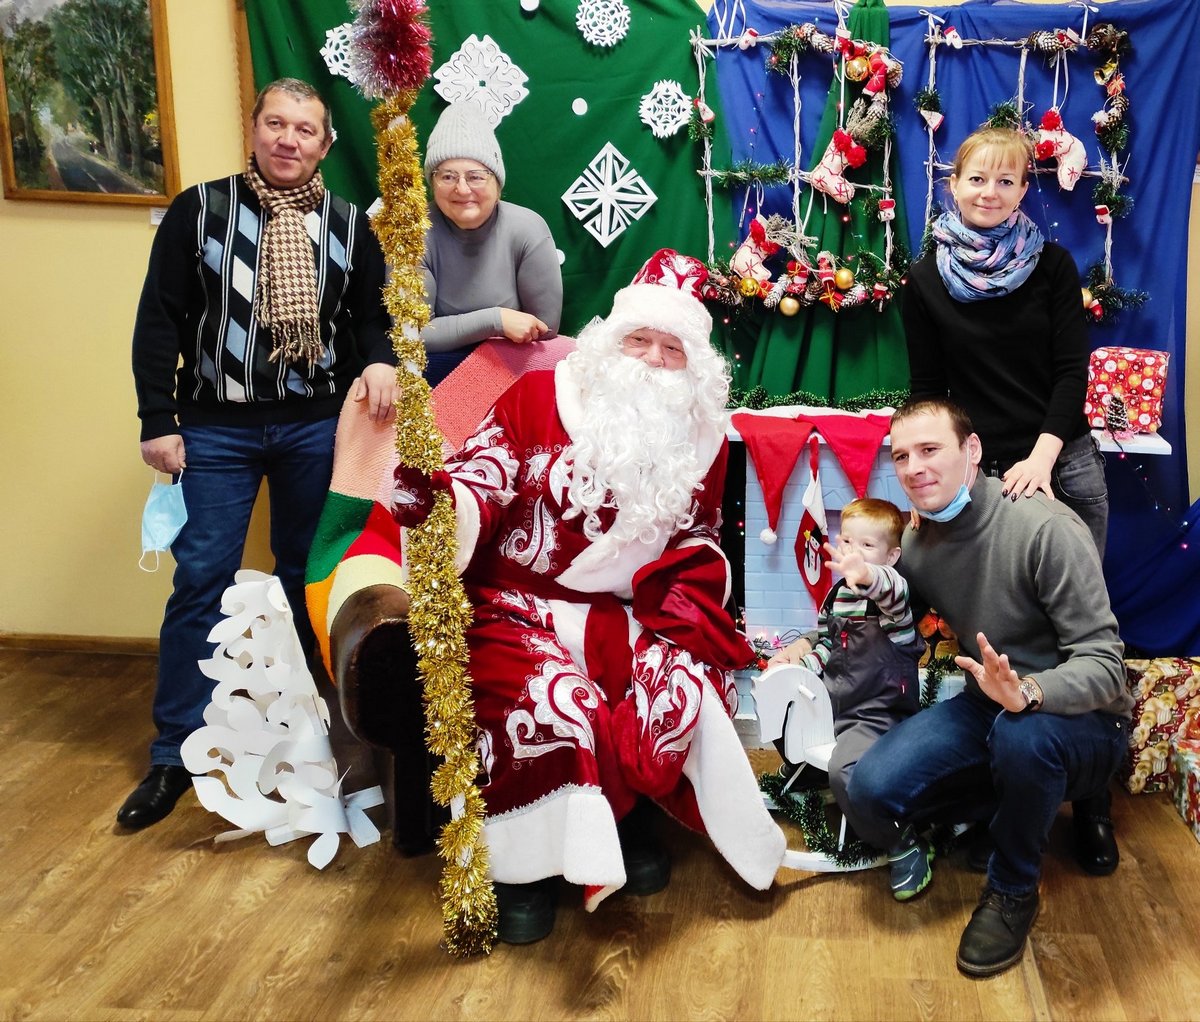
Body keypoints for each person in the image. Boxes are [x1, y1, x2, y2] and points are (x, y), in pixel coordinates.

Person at [391, 249, 785, 944]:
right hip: (518, 603)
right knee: (554, 706)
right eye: (640, 340)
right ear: (610, 341)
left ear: (693, 365)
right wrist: (442, 502)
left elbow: (703, 534)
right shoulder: (537, 397)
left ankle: (624, 820)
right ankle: (522, 870)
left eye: (672, 348)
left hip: (630, 611)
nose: (654, 360)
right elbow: (483, 475)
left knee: (676, 690)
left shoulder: (704, 440)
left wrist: (681, 602)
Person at [121, 78, 396, 831]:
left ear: (325, 145)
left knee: (309, 576)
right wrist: (157, 417)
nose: (288, 139)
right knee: (201, 578)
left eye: (305, 130)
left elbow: (369, 318)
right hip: (215, 430)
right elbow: (159, 319)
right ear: (253, 129)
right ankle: (173, 753)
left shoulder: (349, 224)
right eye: (276, 123)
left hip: (315, 427)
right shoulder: (198, 211)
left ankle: (322, 735)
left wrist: (379, 359)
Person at [847, 398, 1131, 978]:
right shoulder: (920, 542)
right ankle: (1009, 806)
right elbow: (899, 619)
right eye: (900, 456)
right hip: (989, 704)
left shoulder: (1045, 528)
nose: (914, 468)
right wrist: (827, 627)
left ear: (971, 451)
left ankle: (1013, 889)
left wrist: (1028, 692)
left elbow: (1107, 667)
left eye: (930, 450)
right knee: (872, 790)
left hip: (1083, 717)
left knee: (1025, 740)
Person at [903, 125, 1108, 557]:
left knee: (1073, 600)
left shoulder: (1053, 266)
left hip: (1061, 465)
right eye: (977, 179)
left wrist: (1041, 460)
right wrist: (928, 473)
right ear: (954, 184)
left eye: (1006, 181)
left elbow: (1072, 373)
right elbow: (928, 391)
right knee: (987, 599)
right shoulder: (924, 280)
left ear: (1022, 191)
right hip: (979, 474)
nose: (989, 193)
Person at [766, 498, 926, 891]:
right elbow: (827, 645)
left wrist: (869, 574)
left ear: (892, 555)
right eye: (849, 542)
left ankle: (902, 842)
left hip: (876, 713)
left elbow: (893, 590)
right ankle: (807, 774)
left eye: (868, 546)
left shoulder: (893, 602)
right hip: (835, 699)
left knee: (846, 770)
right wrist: (798, 667)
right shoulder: (838, 595)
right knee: (783, 705)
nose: (854, 553)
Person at [420, 100, 563, 386]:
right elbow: (413, 335)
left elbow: (545, 328)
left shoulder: (527, 228)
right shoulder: (412, 234)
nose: (462, 189)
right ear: (432, 183)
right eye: (447, 176)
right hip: (434, 371)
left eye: (476, 177)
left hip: (514, 368)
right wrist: (496, 320)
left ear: (497, 183)